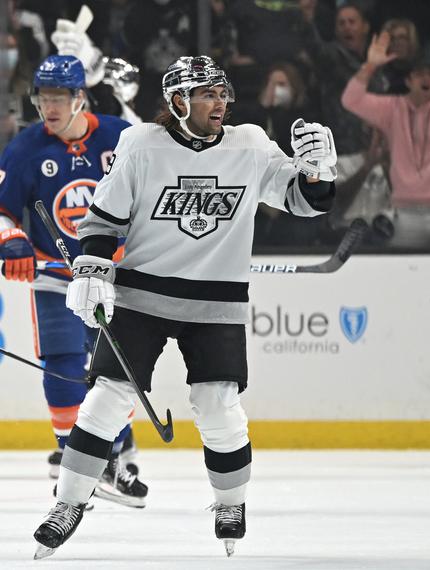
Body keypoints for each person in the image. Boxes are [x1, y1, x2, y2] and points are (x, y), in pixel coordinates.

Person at [32, 55, 336, 559]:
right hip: (141, 296)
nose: (220, 103)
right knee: (107, 399)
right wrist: (90, 271)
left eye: (223, 94)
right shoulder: (141, 145)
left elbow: (307, 202)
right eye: (207, 95)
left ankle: (229, 504)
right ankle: (68, 504)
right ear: (178, 102)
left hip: (216, 301)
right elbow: (102, 222)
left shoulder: (251, 145)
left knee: (219, 407)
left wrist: (320, 172)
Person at [0, 54, 147, 507]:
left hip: (114, 275)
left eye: (59, 97)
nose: (50, 107)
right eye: (43, 98)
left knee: (114, 369)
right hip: (56, 274)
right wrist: (12, 240)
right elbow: (2, 209)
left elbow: (156, 192)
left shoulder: (119, 137)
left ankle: (115, 455)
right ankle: (74, 458)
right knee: (63, 363)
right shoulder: (26, 148)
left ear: (80, 97)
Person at [341, 26, 430, 249]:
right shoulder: (392, 109)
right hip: (406, 214)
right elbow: (350, 100)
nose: (426, 79)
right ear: (409, 81)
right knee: (404, 280)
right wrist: (370, 65)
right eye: (420, 74)